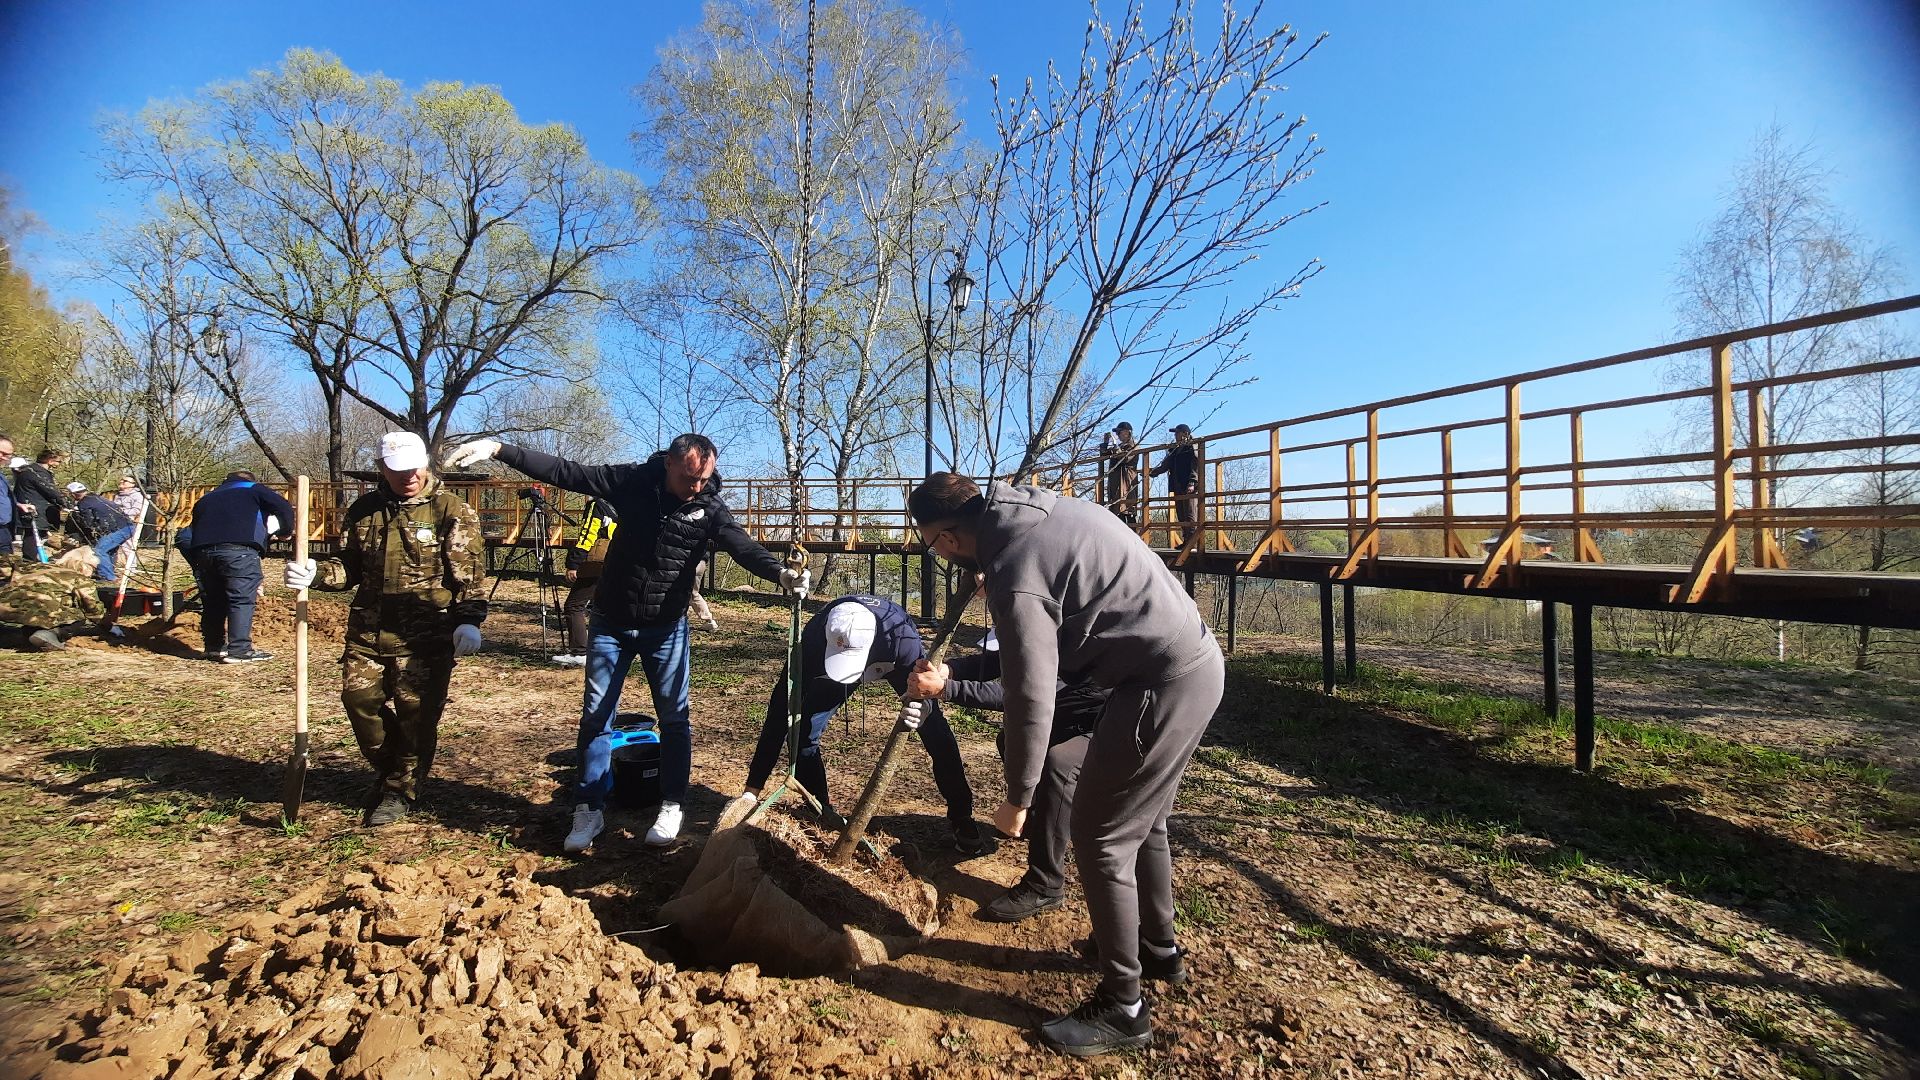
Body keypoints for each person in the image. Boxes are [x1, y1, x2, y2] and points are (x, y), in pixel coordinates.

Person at [909, 471, 1223, 1057]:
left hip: (1158, 684)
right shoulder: (1040, 512)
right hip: (1188, 665)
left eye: (933, 545)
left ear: (947, 537)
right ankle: (1156, 949)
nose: (940, 555)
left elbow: (1031, 694)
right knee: (1144, 822)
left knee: (1100, 839)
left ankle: (1123, 1011)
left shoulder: (1016, 569)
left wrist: (1018, 795)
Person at [443, 432, 808, 852]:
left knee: (674, 719)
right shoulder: (631, 481)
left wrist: (781, 574)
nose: (698, 486)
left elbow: (742, 546)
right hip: (611, 622)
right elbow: (568, 473)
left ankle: (671, 804)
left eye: (704, 478)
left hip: (666, 629)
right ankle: (589, 808)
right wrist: (500, 450)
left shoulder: (708, 506)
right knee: (597, 716)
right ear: (670, 464)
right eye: (690, 477)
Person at [284, 432, 488, 826]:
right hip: (368, 631)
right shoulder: (365, 510)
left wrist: (469, 621)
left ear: (425, 464)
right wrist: (317, 573)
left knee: (417, 717)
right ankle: (394, 767)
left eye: (413, 469)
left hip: (425, 637)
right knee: (358, 702)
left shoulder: (451, 510)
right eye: (397, 471)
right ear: (382, 469)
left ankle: (399, 790)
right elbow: (349, 567)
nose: (407, 477)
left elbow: (469, 576)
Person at [741, 594, 994, 855]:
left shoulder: (900, 638)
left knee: (935, 733)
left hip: (893, 659)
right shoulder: (816, 637)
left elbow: (925, 684)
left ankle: (962, 818)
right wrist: (752, 789)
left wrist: (925, 706)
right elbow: (780, 709)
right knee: (805, 732)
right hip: (834, 663)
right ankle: (820, 811)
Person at [906, 627, 1115, 920]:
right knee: (1011, 739)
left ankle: (1045, 885)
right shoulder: (1039, 636)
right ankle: (1036, 822)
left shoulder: (1067, 649)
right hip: (1064, 717)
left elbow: (1019, 696)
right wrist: (949, 669)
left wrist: (944, 689)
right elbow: (996, 662)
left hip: (1104, 725)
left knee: (1060, 765)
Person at [189, 471, 296, 663]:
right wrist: (284, 532)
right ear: (251, 480)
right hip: (239, 552)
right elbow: (284, 507)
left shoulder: (207, 497)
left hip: (203, 554)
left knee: (213, 600)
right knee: (241, 599)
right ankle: (239, 650)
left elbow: (194, 527)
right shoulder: (252, 489)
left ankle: (213, 647)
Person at [0, 547, 107, 651]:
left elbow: (6, 564)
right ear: (84, 566)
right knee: (79, 615)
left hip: (6, 607)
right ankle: (50, 634)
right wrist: (108, 625)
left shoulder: (34, 566)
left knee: (35, 610)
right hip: (39, 611)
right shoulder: (80, 578)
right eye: (94, 568)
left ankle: (25, 633)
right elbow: (93, 609)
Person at [554, 497, 618, 667]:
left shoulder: (597, 505)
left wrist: (573, 563)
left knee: (574, 605)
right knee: (605, 607)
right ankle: (611, 649)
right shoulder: (617, 505)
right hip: (616, 561)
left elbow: (588, 534)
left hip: (596, 563)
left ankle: (579, 651)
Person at [64, 482, 136, 583]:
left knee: (100, 550)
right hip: (128, 526)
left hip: (118, 529)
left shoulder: (84, 503)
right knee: (110, 550)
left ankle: (108, 577)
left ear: (73, 494)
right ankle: (109, 573)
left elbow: (88, 522)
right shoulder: (97, 498)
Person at [14, 449, 74, 562]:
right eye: (58, 462)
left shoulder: (29, 471)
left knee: (33, 535)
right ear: (50, 461)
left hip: (32, 507)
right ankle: (29, 561)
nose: (59, 464)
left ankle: (31, 559)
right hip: (35, 509)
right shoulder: (38, 473)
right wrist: (68, 504)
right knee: (33, 536)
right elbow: (51, 490)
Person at [1150, 424, 1201, 547]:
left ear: (1185, 434)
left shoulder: (1192, 446)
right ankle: (1186, 540)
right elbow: (1166, 464)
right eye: (1175, 433)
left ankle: (1192, 542)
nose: (1175, 435)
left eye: (1177, 433)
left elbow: (1195, 465)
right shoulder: (1175, 449)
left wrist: (1192, 482)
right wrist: (1154, 472)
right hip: (1178, 484)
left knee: (1190, 513)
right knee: (1181, 513)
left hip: (1188, 484)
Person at [1100, 422, 1139, 525]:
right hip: (1115, 483)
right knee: (1117, 513)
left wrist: (1115, 446)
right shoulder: (1118, 447)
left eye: (1119, 432)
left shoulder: (1133, 446)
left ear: (1127, 433)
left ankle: (1132, 539)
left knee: (1127, 510)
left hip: (1126, 482)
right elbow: (1104, 454)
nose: (1117, 435)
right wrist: (1106, 443)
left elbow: (1124, 458)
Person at [0, 435, 18, 556]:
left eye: (7, 455)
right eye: (1, 453)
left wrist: (18, 505)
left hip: (4, 528)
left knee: (6, 565)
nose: (3, 457)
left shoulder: (1, 476)